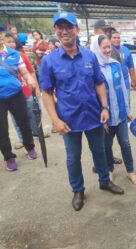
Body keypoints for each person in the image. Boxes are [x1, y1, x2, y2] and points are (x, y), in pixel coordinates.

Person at [40, 12, 124, 211]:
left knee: (100, 151)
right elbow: (46, 93)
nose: (65, 31)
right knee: (73, 157)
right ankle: (78, 190)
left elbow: (99, 83)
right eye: (60, 27)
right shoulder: (49, 61)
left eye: (69, 27)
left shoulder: (89, 56)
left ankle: (104, 181)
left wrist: (104, 107)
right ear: (55, 32)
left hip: (94, 116)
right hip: (68, 120)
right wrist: (55, 120)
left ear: (77, 30)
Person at [91, 34, 136, 185]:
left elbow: (123, 89)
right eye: (104, 47)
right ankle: (109, 170)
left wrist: (127, 110)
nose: (108, 50)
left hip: (120, 114)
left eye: (109, 47)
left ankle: (130, 171)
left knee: (125, 144)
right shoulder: (93, 69)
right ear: (96, 48)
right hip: (105, 117)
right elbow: (94, 95)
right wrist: (100, 118)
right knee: (106, 146)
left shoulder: (115, 64)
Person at [0, 24, 38, 171]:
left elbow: (25, 72)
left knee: (24, 122)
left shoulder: (14, 54)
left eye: (1, 32)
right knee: (2, 129)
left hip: (16, 94)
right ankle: (9, 157)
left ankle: (30, 147)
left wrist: (30, 79)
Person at [91, 20, 123, 166]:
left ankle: (108, 159)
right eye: (105, 30)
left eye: (109, 31)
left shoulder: (113, 50)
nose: (108, 33)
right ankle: (99, 164)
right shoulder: (89, 54)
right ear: (97, 30)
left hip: (112, 99)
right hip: (99, 104)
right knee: (101, 140)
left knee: (107, 140)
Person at [5, 33, 44, 150]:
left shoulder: (21, 55)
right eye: (7, 41)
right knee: (16, 119)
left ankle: (37, 133)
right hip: (12, 95)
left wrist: (36, 88)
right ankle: (22, 139)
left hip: (26, 91)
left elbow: (31, 72)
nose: (10, 43)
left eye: (12, 41)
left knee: (32, 113)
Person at [110, 31, 136, 98]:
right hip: (112, 82)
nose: (116, 39)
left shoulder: (126, 50)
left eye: (118, 38)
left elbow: (131, 66)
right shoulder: (107, 50)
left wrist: (133, 80)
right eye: (114, 38)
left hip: (125, 82)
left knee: (126, 103)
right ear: (110, 39)